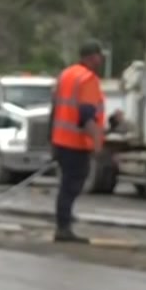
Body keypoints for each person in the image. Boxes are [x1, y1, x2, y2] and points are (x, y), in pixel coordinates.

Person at [49, 40, 108, 243]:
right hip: (76, 142)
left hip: (61, 139)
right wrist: (97, 144)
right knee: (72, 185)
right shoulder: (88, 79)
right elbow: (86, 116)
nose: (100, 60)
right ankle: (63, 227)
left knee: (66, 185)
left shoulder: (66, 74)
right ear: (91, 57)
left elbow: (55, 109)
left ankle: (64, 222)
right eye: (98, 56)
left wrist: (52, 141)